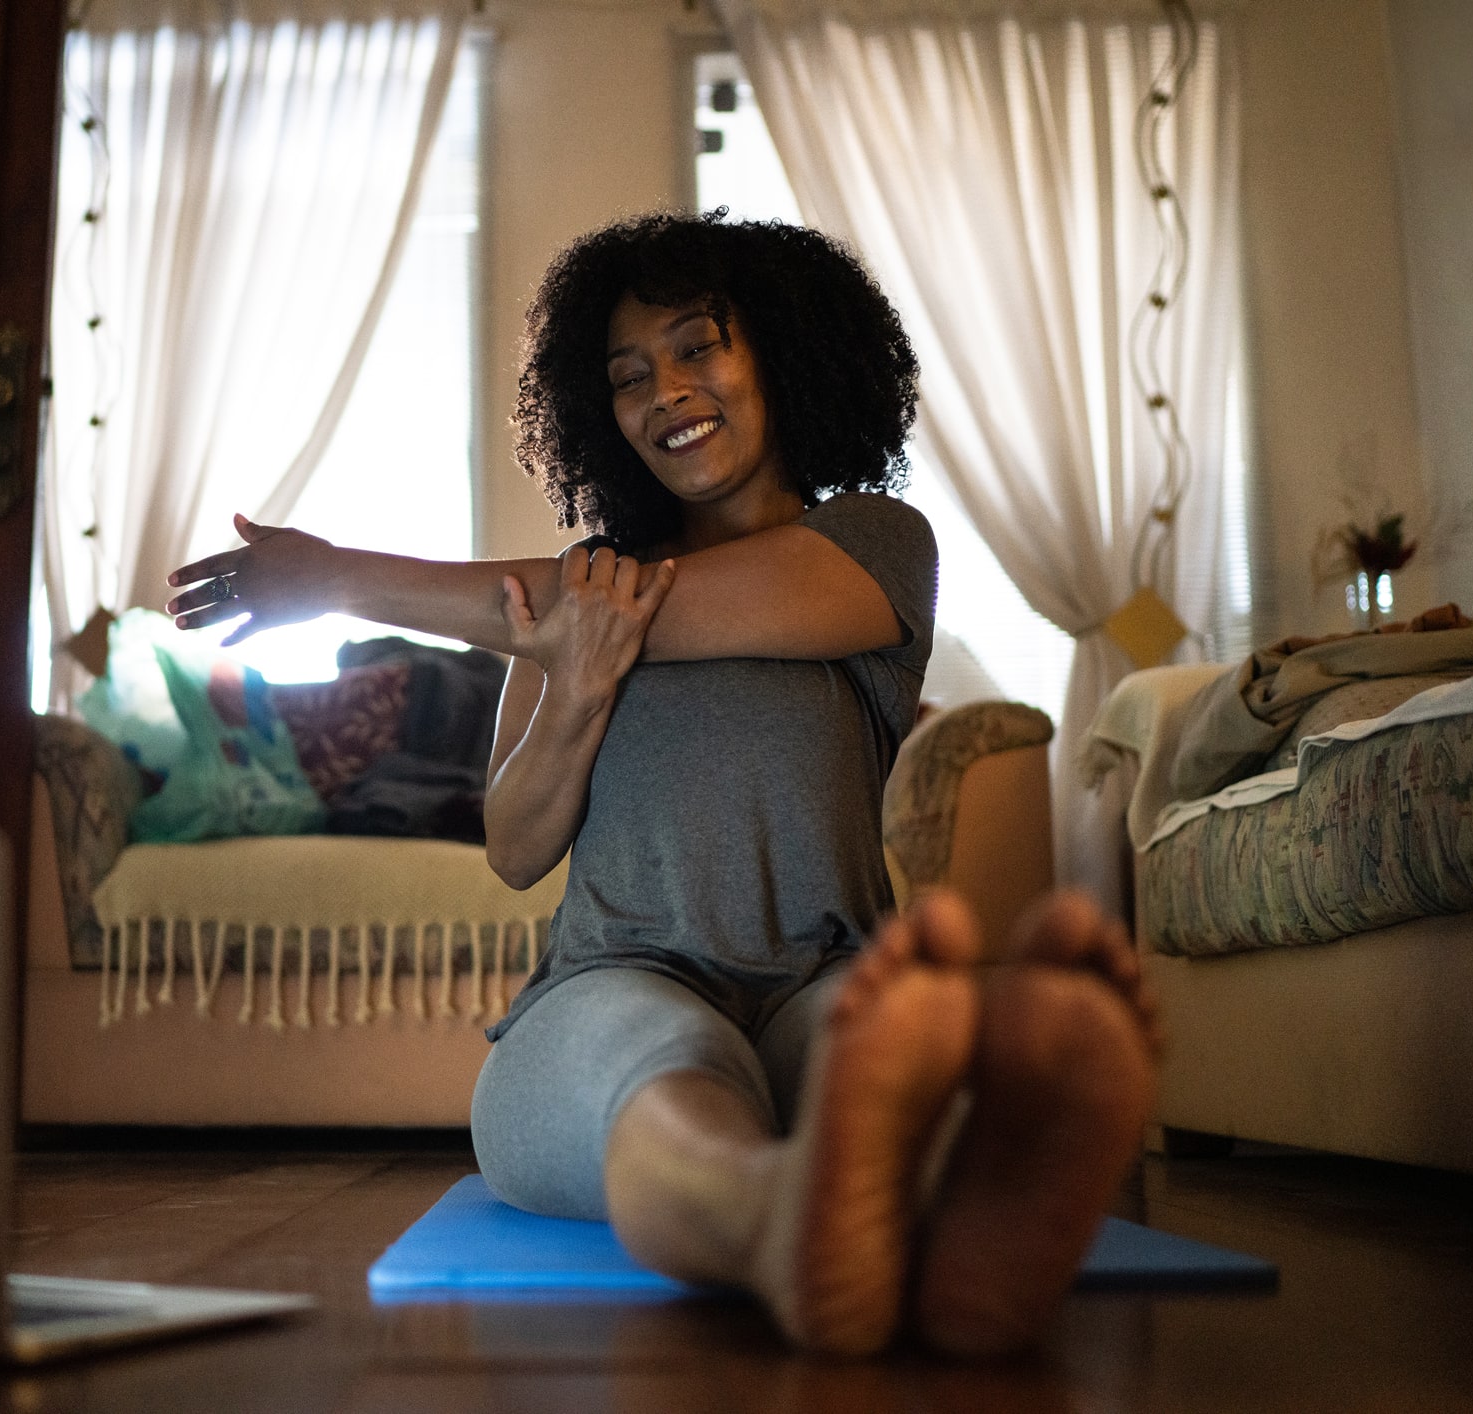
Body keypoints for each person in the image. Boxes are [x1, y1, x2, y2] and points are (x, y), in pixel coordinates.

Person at [167, 211, 1161, 1358]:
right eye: (629, 374)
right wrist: (575, 686)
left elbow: (622, 607)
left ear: (781, 354)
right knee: (670, 1076)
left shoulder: (873, 544)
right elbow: (514, 843)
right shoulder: (578, 592)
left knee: (872, 1055)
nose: (663, 391)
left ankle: (972, 1191)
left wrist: (338, 576)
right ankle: (777, 1217)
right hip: (611, 983)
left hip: (824, 971)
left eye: (698, 346)